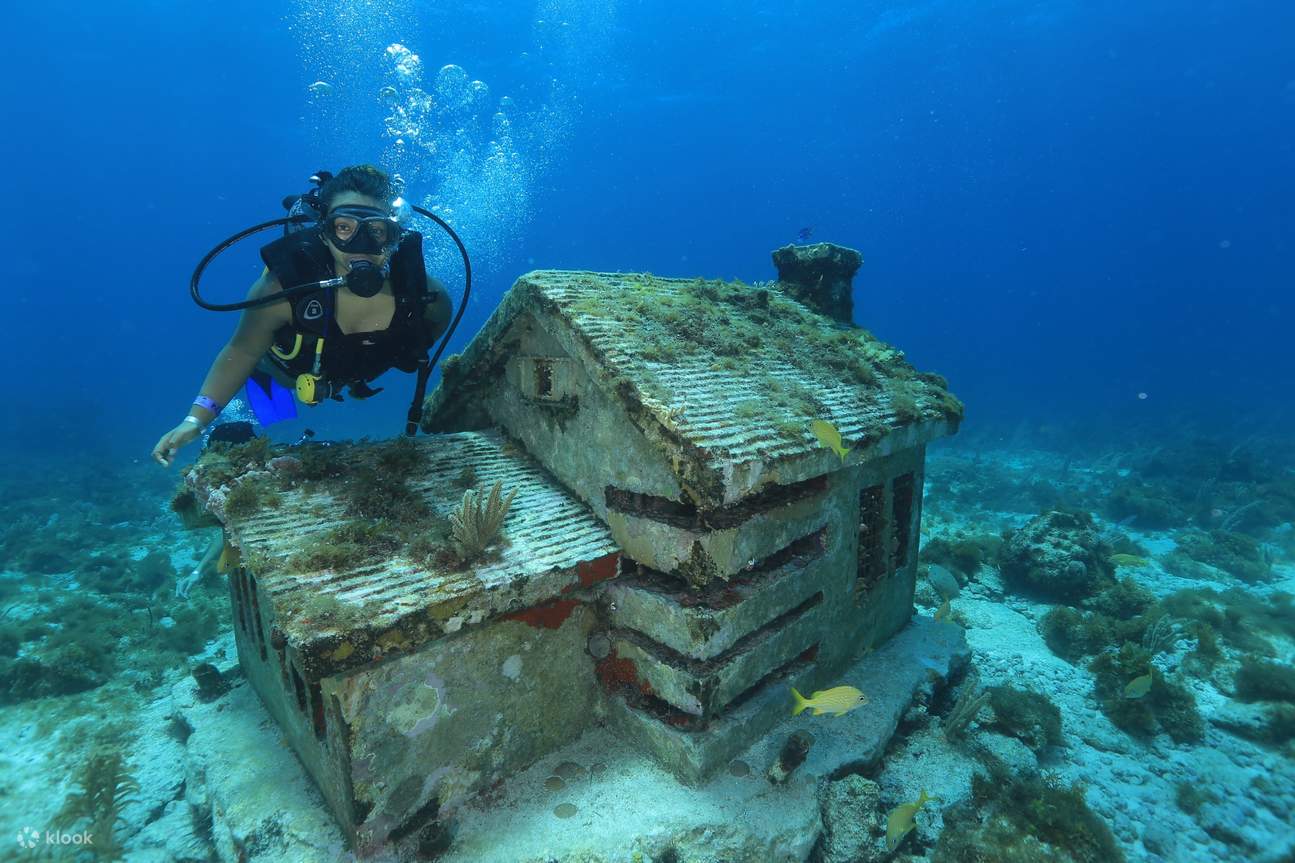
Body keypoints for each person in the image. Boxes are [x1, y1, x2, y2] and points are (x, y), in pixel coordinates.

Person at [152, 165, 453, 467]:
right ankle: (263, 401)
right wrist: (195, 419)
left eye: (375, 231)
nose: (360, 245)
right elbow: (242, 350)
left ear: (394, 235)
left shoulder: (424, 296)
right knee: (269, 393)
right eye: (344, 228)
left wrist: (374, 366)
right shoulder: (283, 290)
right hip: (285, 370)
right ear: (324, 231)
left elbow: (435, 326)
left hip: (349, 372)